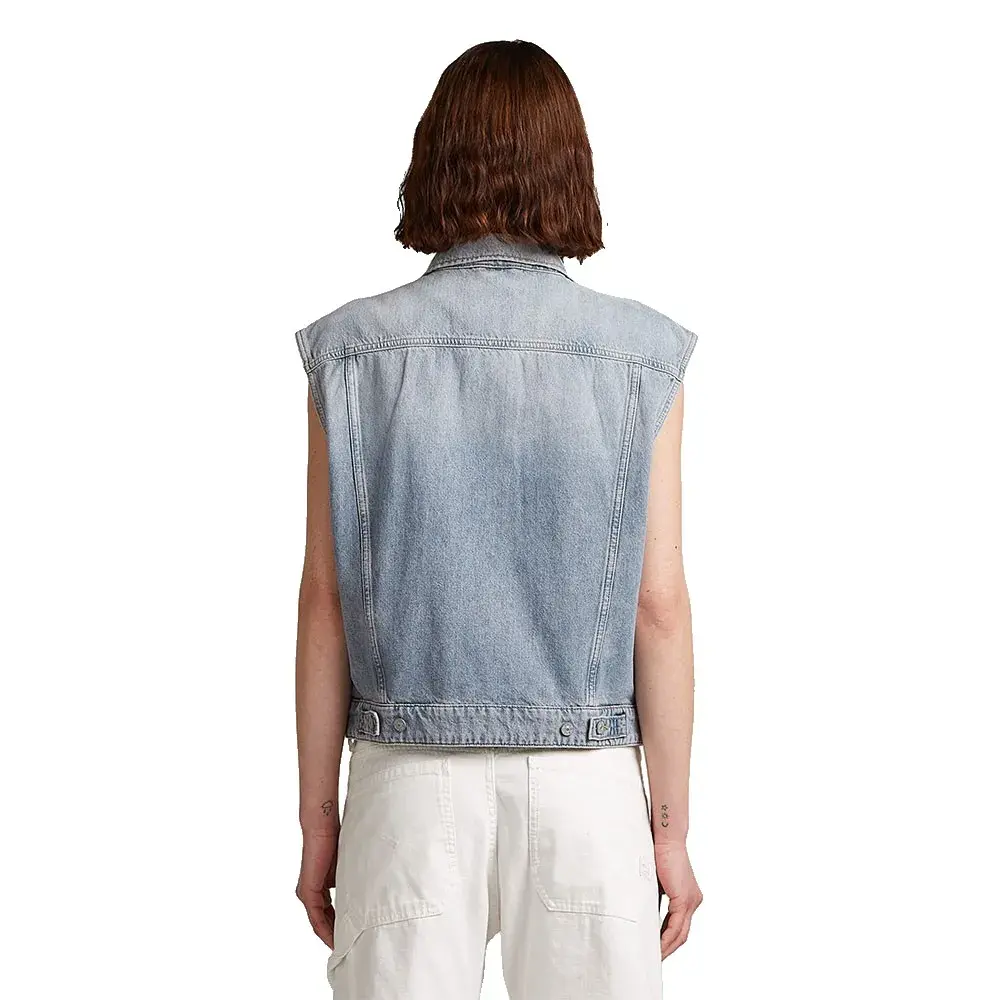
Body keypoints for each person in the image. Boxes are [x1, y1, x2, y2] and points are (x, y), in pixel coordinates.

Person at [292, 38, 702, 1000]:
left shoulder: (351, 352)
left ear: (434, 158)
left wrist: (319, 822)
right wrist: (671, 832)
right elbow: (658, 608)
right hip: (588, 786)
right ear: (571, 168)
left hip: (405, 782)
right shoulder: (642, 355)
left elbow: (325, 604)